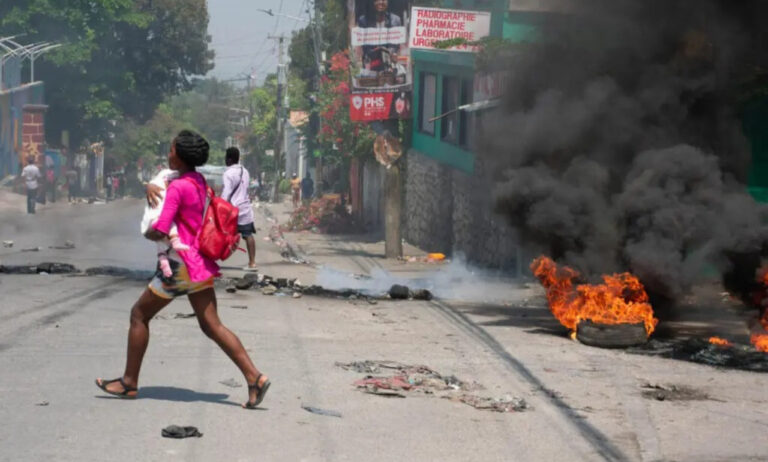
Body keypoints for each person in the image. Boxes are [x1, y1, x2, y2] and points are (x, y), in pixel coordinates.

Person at [95, 130, 270, 409]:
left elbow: (161, 228)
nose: (168, 154)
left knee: (139, 315)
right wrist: (147, 188)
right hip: (198, 263)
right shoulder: (198, 181)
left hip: (179, 267)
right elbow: (162, 180)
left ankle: (129, 382)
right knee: (212, 325)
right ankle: (254, 378)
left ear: (180, 154)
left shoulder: (177, 188)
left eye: (171, 150)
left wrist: (148, 230)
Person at [139, 168, 190, 278]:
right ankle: (163, 271)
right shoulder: (166, 181)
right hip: (162, 224)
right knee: (167, 230)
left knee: (162, 245)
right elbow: (155, 183)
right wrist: (149, 186)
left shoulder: (184, 180)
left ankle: (163, 266)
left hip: (157, 225)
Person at [222, 147, 258, 271]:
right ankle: (252, 262)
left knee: (220, 232)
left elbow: (226, 192)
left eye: (226, 157)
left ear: (229, 159)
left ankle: (212, 258)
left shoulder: (228, 173)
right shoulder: (245, 171)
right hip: (245, 207)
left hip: (232, 209)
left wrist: (221, 205)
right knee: (248, 235)